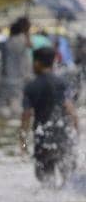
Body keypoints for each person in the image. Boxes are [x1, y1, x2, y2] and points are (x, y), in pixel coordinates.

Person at [20, 46, 79, 186]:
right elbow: (72, 112)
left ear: (37, 63)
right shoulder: (62, 83)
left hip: (43, 142)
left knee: (47, 185)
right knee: (69, 182)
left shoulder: (31, 86)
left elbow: (26, 116)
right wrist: (76, 135)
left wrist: (22, 143)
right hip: (63, 140)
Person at [0, 17, 32, 116]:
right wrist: (27, 31)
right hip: (19, 78)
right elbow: (30, 45)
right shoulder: (22, 40)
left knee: (3, 104)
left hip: (5, 78)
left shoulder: (7, 42)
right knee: (16, 105)